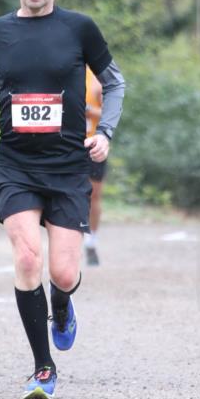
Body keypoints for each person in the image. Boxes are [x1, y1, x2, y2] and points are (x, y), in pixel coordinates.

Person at [0, 0, 125, 399]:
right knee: (26, 260)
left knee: (61, 273)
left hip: (67, 167)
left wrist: (106, 134)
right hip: (16, 164)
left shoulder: (79, 29)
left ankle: (62, 307)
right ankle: (43, 369)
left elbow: (114, 82)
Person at [84, 67, 106, 266]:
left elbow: (110, 111)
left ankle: (91, 241)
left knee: (93, 195)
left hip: (92, 144)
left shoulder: (96, 79)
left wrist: (90, 111)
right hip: (66, 145)